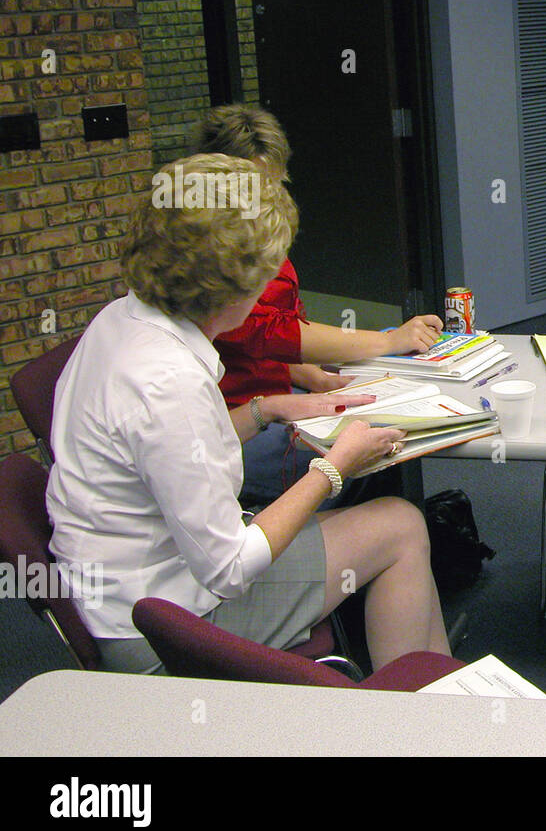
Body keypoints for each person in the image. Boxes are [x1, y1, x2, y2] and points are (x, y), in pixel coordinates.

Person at [46, 153, 451, 674]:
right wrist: (334, 467)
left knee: (389, 523)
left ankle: (432, 695)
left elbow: (173, 453)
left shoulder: (121, 318)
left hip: (123, 589)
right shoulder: (170, 383)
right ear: (235, 288)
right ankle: (421, 716)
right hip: (167, 628)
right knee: (401, 526)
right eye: (265, 276)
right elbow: (229, 569)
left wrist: (265, 409)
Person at [190, 103, 444, 507]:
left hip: (266, 404)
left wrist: (316, 379)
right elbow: (271, 333)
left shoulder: (251, 238)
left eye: (272, 186)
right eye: (253, 189)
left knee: (381, 426)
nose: (264, 201)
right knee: (376, 458)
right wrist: (389, 340)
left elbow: (278, 334)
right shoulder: (214, 261)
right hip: (239, 422)